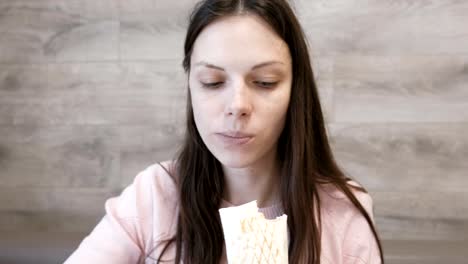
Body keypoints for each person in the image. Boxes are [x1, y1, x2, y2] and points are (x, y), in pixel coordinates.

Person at [65, 0, 384, 263]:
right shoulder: (153, 196)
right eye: (213, 83)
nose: (237, 105)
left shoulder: (342, 210)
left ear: (295, 90)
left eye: (265, 82)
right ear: (191, 86)